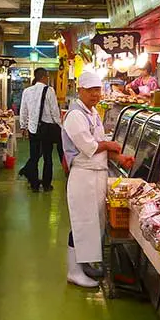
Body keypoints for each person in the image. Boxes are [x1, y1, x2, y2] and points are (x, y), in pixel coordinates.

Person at [62, 71, 134, 287]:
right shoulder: (75, 116)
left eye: (98, 90)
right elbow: (90, 147)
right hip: (83, 176)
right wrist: (110, 146)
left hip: (96, 176)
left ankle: (84, 265)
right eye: (91, 90)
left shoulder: (92, 113)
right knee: (81, 223)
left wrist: (119, 158)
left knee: (93, 224)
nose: (95, 95)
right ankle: (73, 271)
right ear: (80, 90)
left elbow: (101, 143)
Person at [18, 68, 62, 192]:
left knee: (34, 156)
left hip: (33, 129)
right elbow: (54, 111)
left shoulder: (27, 91)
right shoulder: (49, 90)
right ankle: (47, 185)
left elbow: (23, 110)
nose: (47, 79)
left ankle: (34, 185)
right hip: (47, 129)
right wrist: (59, 125)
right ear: (43, 77)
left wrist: (23, 126)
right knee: (48, 158)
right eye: (47, 77)